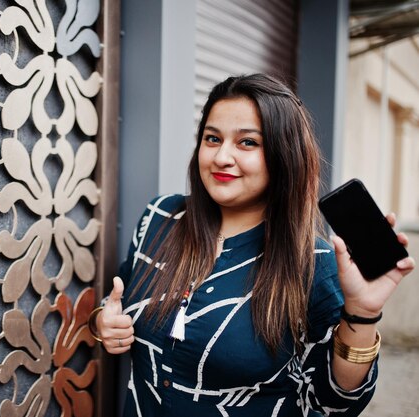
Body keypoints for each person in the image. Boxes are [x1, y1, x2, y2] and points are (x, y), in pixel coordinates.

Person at [88, 74, 415, 416]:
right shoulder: (161, 217)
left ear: (283, 155)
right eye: (212, 138)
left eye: (247, 143)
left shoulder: (315, 263)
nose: (221, 157)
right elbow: (118, 303)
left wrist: (362, 314)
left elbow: (334, 400)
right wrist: (104, 323)